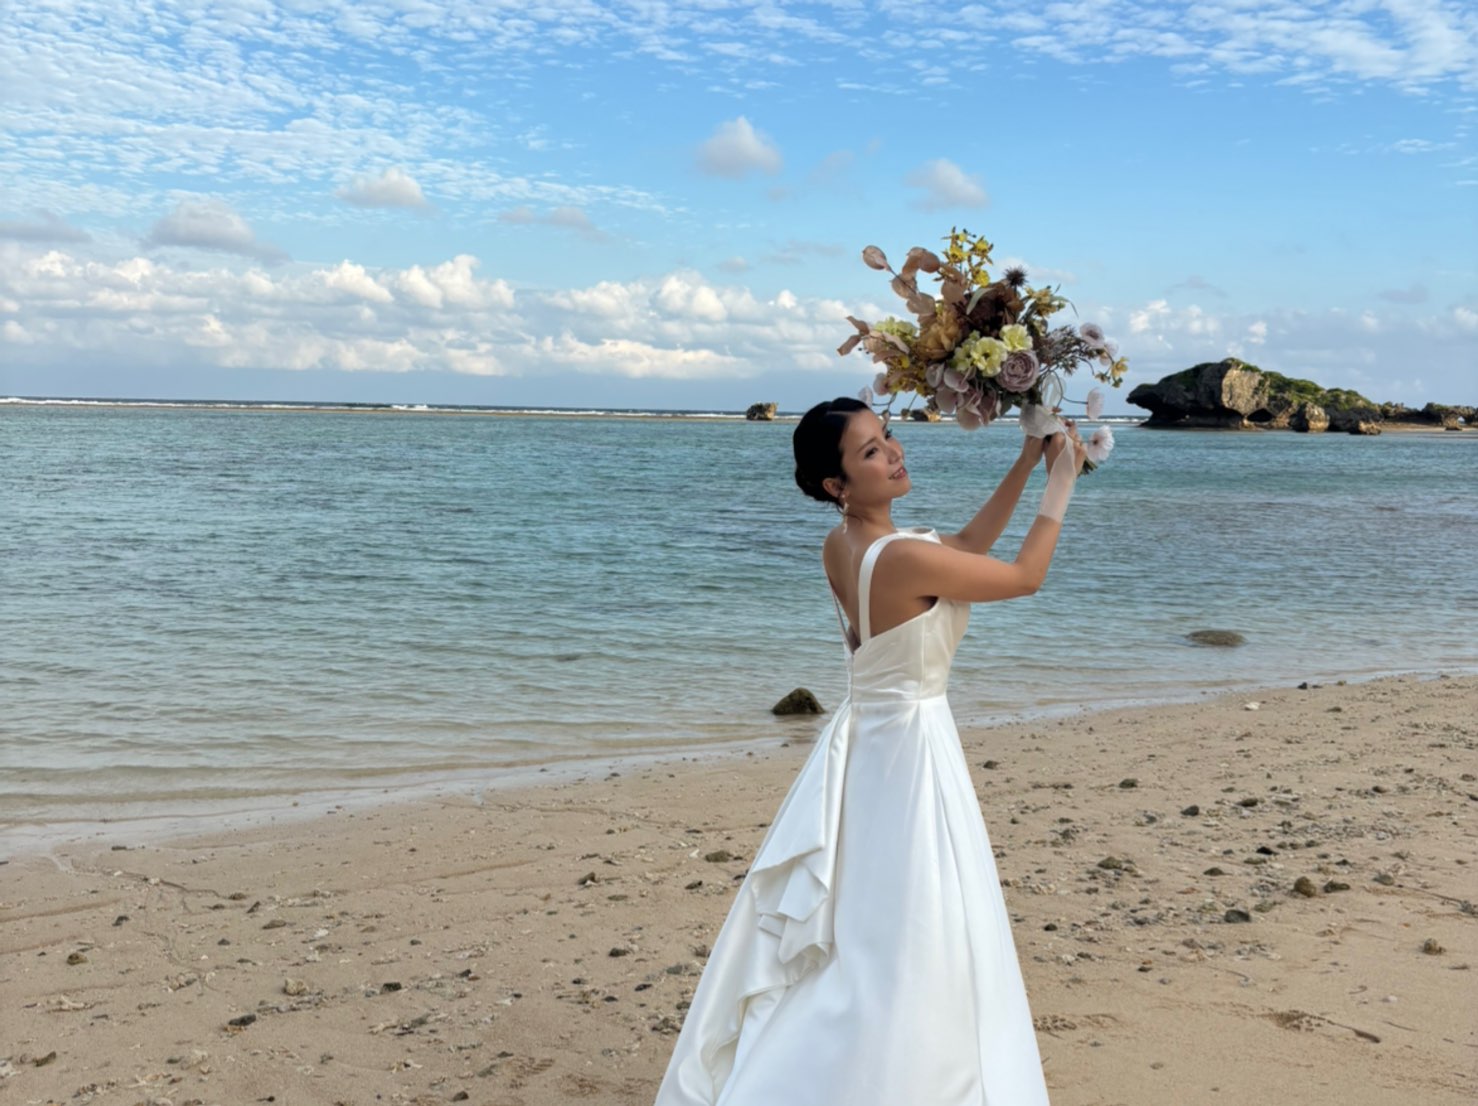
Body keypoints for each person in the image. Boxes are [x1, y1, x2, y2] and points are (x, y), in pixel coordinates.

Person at [653, 396, 1087, 1106]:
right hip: (912, 749)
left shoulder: (844, 545)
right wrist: (1060, 484)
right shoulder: (902, 557)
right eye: (870, 452)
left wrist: (1025, 459)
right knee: (919, 917)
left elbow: (965, 546)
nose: (893, 454)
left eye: (886, 437)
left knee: (867, 917)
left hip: (864, 745)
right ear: (837, 485)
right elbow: (1023, 577)